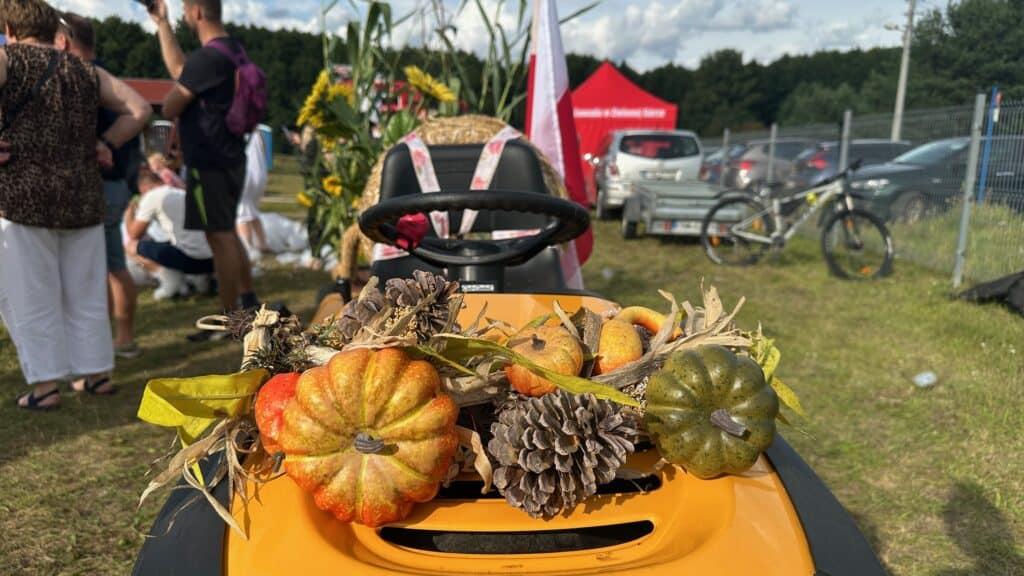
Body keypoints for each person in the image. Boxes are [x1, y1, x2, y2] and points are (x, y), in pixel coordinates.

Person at [0, 0, 151, 410]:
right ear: (53, 31)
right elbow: (139, 109)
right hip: (83, 196)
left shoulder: (9, 59)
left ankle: (46, 387)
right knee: (85, 293)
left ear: (10, 30)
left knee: (32, 295)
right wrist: (107, 143)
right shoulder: (86, 70)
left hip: (23, 197)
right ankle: (95, 375)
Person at [147, 0, 258, 339]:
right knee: (227, 233)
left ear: (196, 12)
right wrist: (163, 24)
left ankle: (229, 321)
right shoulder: (232, 51)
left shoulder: (207, 58)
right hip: (231, 157)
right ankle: (248, 301)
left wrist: (174, 102)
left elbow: (171, 104)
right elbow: (181, 70)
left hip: (209, 162)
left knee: (219, 238)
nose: (184, 16)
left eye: (184, 11)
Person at [56, 11, 142, 359]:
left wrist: (102, 144)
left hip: (101, 184)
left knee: (100, 270)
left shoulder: (84, 79)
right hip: (117, 183)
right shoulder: (106, 76)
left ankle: (110, 341)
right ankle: (121, 337)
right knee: (112, 266)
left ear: (65, 41)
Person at [126, 165, 214, 299]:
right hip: (212, 259)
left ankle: (171, 283)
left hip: (192, 260)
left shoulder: (152, 196)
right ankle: (201, 282)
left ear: (143, 188)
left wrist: (129, 213)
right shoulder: (180, 193)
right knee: (169, 244)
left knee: (132, 246)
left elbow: (134, 234)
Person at [236, 129, 269, 259]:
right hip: (260, 175)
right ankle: (263, 244)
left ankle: (246, 247)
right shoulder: (258, 132)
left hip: (245, 174)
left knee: (241, 213)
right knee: (252, 211)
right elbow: (264, 152)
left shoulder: (235, 128)